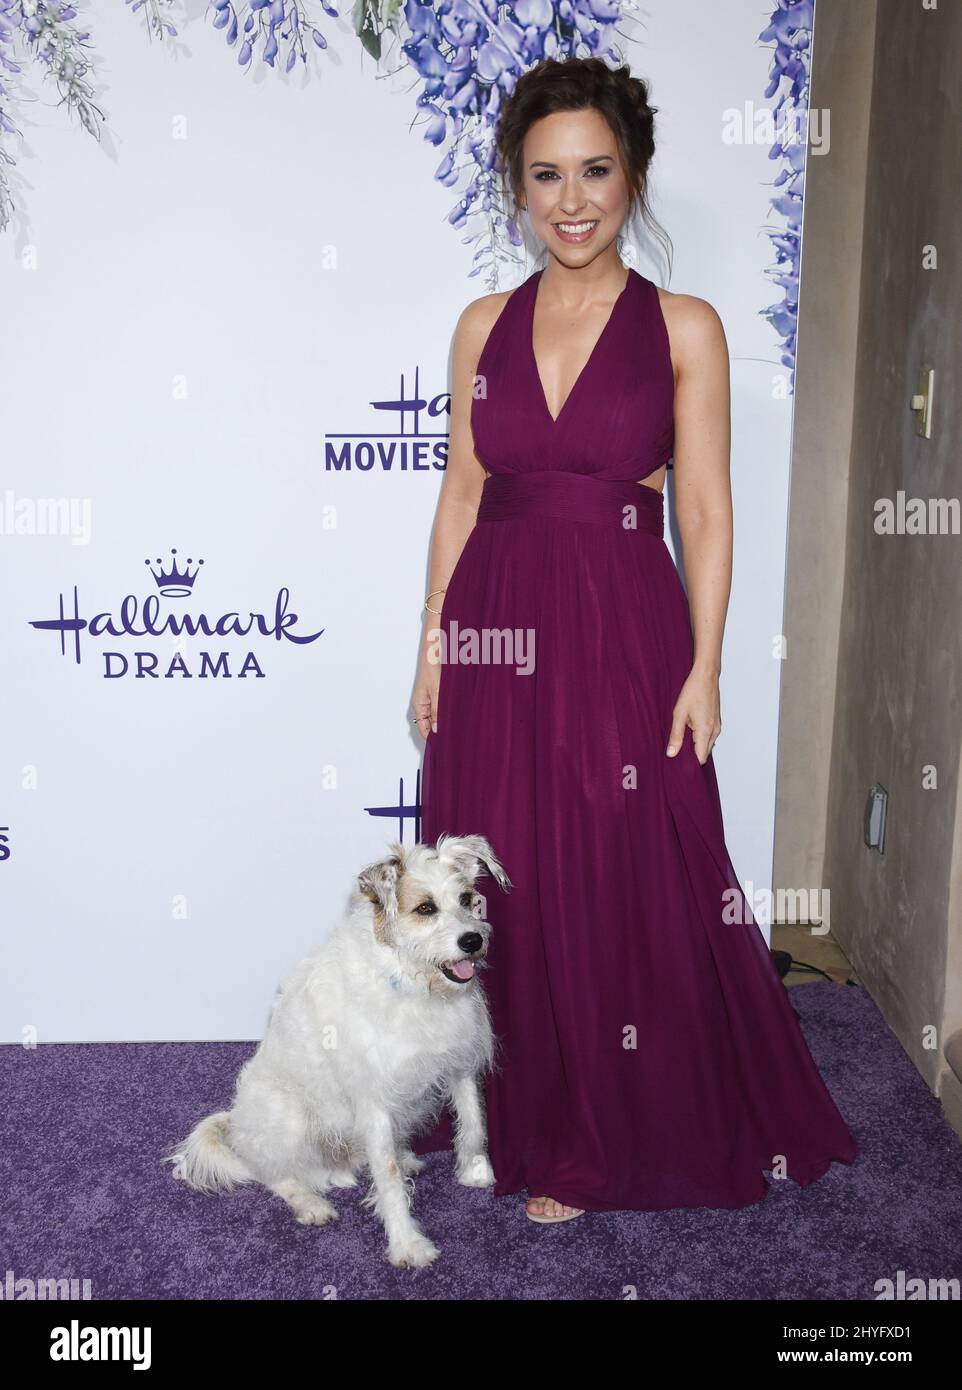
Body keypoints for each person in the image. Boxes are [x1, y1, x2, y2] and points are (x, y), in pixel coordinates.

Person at [409, 56, 858, 1223]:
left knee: (625, 862)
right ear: (514, 186)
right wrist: (429, 651)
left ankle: (613, 1129)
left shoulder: (683, 326)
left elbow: (701, 508)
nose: (571, 199)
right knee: (507, 865)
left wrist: (703, 665)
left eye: (594, 171)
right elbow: (462, 495)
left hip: (621, 620)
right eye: (544, 175)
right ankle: (526, 1119)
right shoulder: (478, 326)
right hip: (495, 624)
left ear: (634, 175)